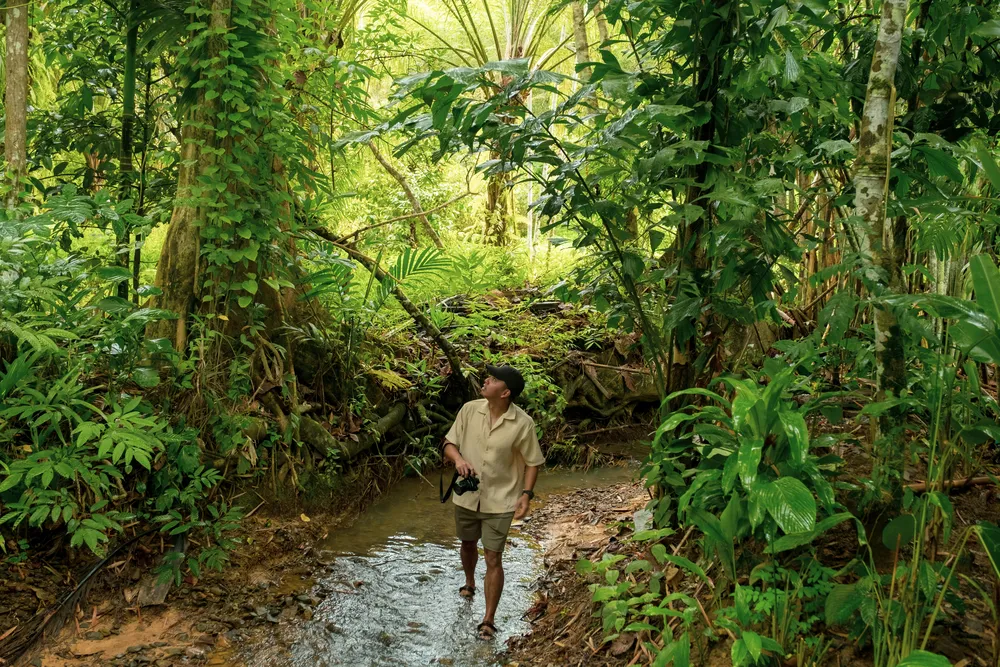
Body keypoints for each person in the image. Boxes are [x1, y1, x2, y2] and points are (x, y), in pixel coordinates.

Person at [442, 364, 545, 640]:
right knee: (466, 543)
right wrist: (460, 460)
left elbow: (533, 463)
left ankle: (488, 619)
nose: (486, 380)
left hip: (501, 500)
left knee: (493, 557)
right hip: (467, 495)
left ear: (506, 392)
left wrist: (527, 494)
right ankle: (469, 582)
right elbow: (449, 443)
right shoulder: (468, 410)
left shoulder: (523, 423)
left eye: (494, 378)